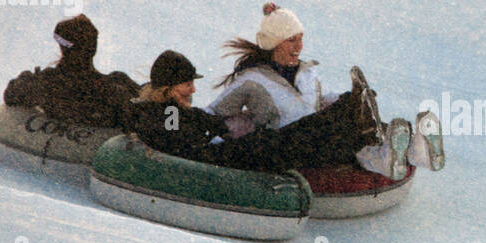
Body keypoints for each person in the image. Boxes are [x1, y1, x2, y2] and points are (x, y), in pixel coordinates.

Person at [207, 3, 444, 178]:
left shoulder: (307, 72)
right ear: (274, 44)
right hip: (287, 143)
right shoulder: (252, 79)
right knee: (346, 122)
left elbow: (321, 101)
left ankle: (413, 151)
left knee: (349, 115)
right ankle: (386, 154)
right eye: (291, 40)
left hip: (318, 134)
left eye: (300, 39)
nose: (299, 46)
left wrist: (347, 100)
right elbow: (212, 114)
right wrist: (222, 146)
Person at [130, 49, 384, 174]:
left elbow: (195, 124)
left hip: (221, 153)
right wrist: (217, 133)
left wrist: (223, 126)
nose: (193, 89)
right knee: (294, 140)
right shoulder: (167, 114)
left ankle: (353, 114)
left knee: (292, 137)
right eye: (186, 84)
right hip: (219, 160)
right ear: (168, 87)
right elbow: (181, 145)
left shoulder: (166, 111)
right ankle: (353, 118)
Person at [3, 15, 139, 127]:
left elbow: (11, 94)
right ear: (93, 49)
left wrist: (28, 77)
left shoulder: (45, 83)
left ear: (62, 47)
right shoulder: (115, 86)